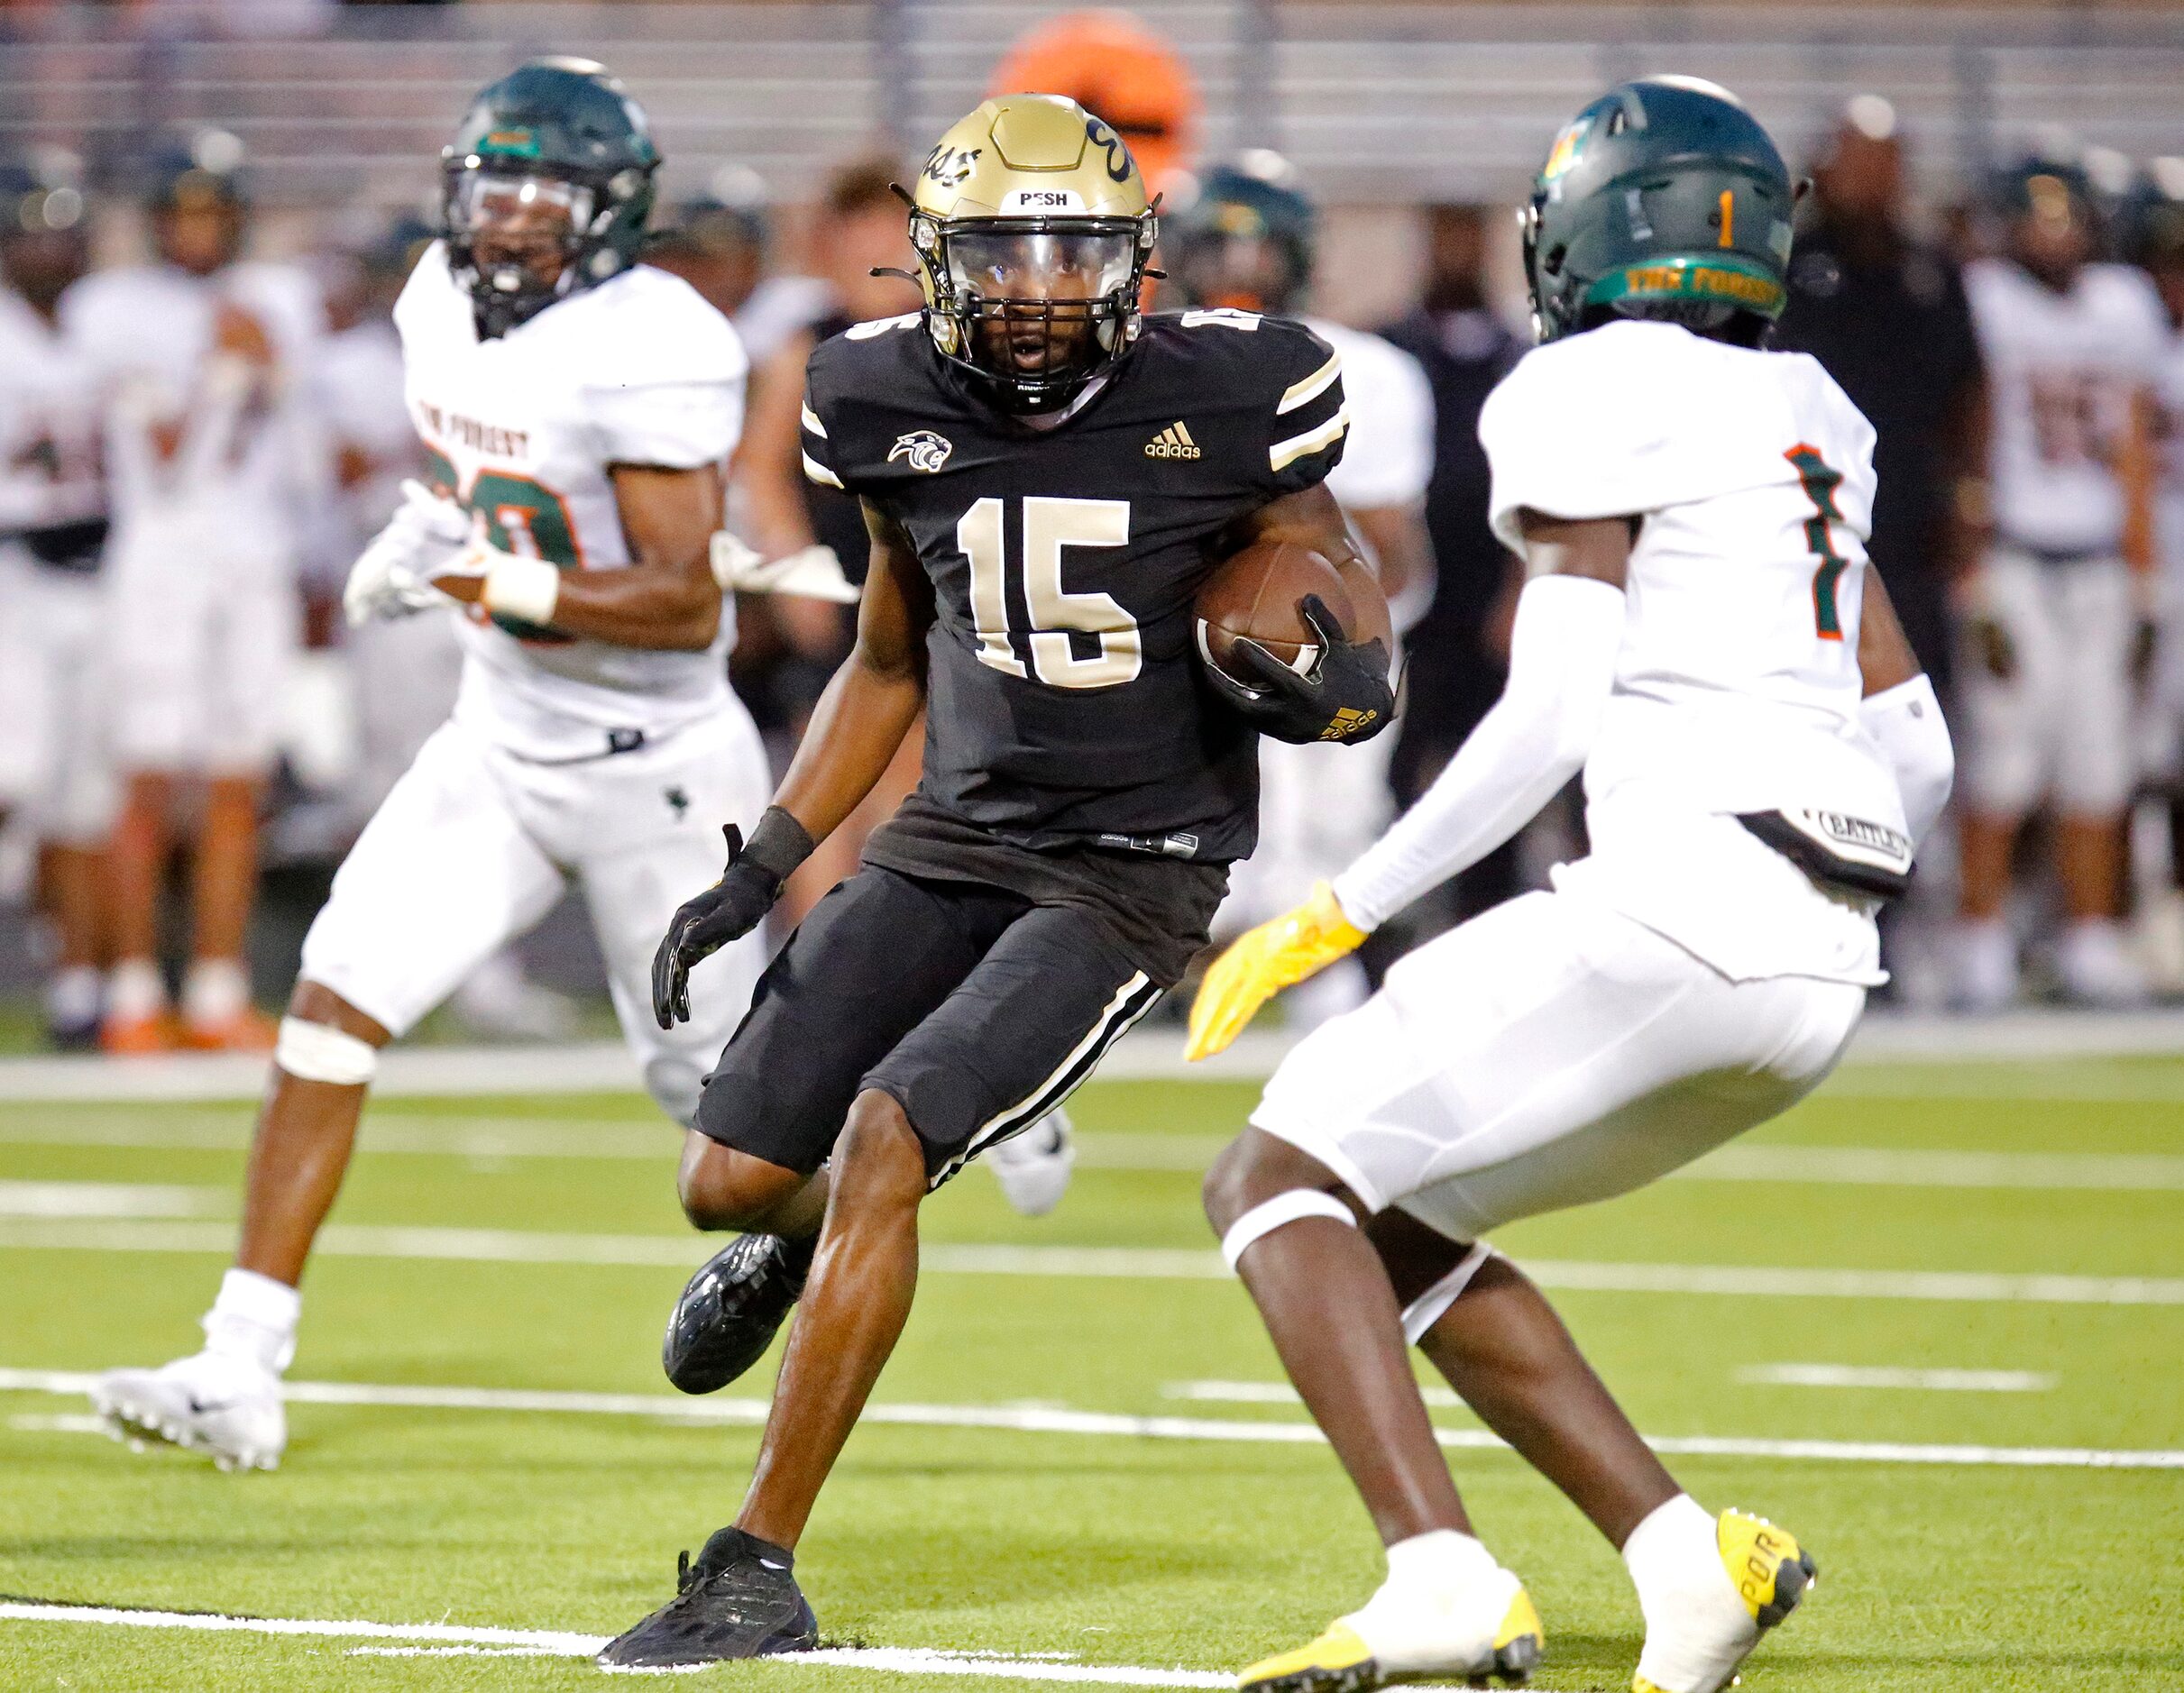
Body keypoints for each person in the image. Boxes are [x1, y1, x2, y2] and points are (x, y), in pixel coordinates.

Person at [600, 93, 1393, 1669]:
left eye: (1071, 251)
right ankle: (786, 1242)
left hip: (1132, 867)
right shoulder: (869, 392)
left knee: (889, 1132)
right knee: (727, 1178)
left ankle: (756, 1560)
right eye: (1003, 252)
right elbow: (891, 652)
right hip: (955, 832)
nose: (1036, 285)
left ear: (1132, 261)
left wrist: (1340, 671)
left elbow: (1340, 600)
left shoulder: (1245, 392)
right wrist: (763, 859)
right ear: (932, 263)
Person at [1185, 78, 1953, 1693]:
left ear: (1589, 230)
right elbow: (1920, 742)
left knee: (1269, 1177)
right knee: (1395, 1216)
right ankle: (1683, 1559)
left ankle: (1437, 1576)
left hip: (1683, 899)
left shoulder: (1587, 380)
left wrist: (1343, 903)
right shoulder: (1814, 404)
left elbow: (1550, 712)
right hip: (1822, 948)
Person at [89, 59, 775, 1474]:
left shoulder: (657, 340)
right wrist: (453, 543)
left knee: (732, 1136)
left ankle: (888, 1181)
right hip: (501, 738)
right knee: (332, 1006)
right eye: (493, 184)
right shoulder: (428, 301)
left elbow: (685, 599)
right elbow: (500, 495)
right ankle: (238, 1359)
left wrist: (482, 577)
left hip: (655, 763)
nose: (511, 218)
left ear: (613, 213)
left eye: (545, 193)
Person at [66, 130, 326, 1053]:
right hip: (160, 556)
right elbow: (164, 463)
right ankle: (132, 991)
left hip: (253, 557)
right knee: (144, 778)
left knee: (235, 779)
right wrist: (223, 378)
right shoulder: (111, 308)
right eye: (185, 211)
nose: (201, 230)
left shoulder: (280, 298)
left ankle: (217, 990)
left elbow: (302, 451)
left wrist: (269, 368)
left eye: (215, 211)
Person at [1167, 151, 1436, 1025]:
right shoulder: (1147, 365)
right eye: (1219, 250)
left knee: (1321, 873)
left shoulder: (1367, 371)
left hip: (1323, 648)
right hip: (1176, 654)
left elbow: (1391, 554)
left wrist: (1333, 637)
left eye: (1259, 252)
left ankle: (1333, 1036)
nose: (1238, 274)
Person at [1953, 153, 2168, 1009]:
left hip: (2101, 562)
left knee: (2098, 763)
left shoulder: (2123, 306)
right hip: (2014, 551)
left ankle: (2089, 934)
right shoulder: (1983, 301)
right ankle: (1980, 936)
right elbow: (1963, 434)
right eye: (2040, 218)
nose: (2058, 233)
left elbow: (2134, 453)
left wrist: (2146, 581)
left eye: (2069, 216)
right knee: (2003, 760)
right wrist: (1971, 577)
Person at [1775, 96, 1987, 701]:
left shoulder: (1932, 272)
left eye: (1885, 164)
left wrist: (1972, 494)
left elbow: (1970, 390)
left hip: (1911, 519)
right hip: (1810, 515)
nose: (1873, 180)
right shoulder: (1788, 268)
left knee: (1912, 688)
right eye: (1859, 162)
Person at [1376, 206, 1527, 925]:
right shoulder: (1388, 350)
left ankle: (1484, 923)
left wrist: (1523, 586)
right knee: (1390, 774)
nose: (1457, 252)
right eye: (1446, 236)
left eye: (1470, 237)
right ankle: (1379, 933)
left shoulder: (1522, 359)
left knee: (1494, 775)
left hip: (1487, 593)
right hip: (1408, 603)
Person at [0, 149, 112, 1048]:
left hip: (95, 576)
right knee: (12, 777)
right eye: (33, 230)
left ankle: (77, 988)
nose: (51, 248)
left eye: (62, 229)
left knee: (81, 799)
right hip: (12, 576)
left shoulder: (100, 329)